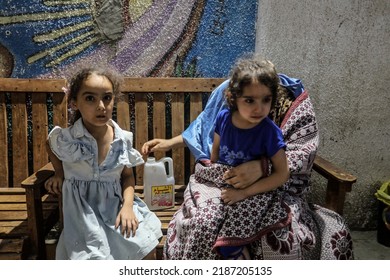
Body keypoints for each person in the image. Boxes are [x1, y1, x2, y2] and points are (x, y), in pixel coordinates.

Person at [142, 53, 354, 260]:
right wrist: (194, 157)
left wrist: (253, 181)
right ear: (233, 99)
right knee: (204, 221)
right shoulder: (224, 116)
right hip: (221, 182)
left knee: (274, 230)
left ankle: (232, 250)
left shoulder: (269, 132)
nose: (258, 108)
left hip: (257, 189)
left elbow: (284, 171)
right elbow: (209, 142)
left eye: (266, 100)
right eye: (250, 100)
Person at [44, 66, 162, 260]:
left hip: (115, 206)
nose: (101, 105)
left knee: (144, 244)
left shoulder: (121, 139)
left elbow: (127, 178)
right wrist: (59, 173)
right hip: (82, 214)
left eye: (107, 98)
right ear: (74, 103)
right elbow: (50, 144)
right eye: (90, 98)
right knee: (92, 256)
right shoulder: (67, 139)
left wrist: (128, 207)